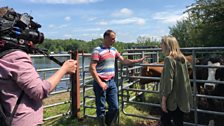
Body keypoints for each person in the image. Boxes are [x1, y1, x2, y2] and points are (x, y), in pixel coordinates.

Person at [0, 7, 77, 126]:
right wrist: (64, 69)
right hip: (23, 121)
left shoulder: (4, 56)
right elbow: (39, 91)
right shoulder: (16, 57)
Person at [89, 29, 145, 126]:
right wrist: (100, 83)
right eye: (112, 38)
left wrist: (137, 61)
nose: (114, 40)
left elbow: (123, 61)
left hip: (111, 82)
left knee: (115, 107)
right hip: (100, 82)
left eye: (114, 38)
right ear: (106, 38)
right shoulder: (97, 50)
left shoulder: (114, 50)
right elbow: (92, 68)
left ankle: (106, 122)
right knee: (101, 107)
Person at [159, 36, 193, 126]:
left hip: (172, 100)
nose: (160, 46)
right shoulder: (183, 59)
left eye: (162, 44)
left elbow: (168, 81)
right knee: (178, 122)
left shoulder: (168, 59)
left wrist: (163, 99)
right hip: (182, 98)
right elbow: (189, 70)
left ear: (167, 45)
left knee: (165, 120)